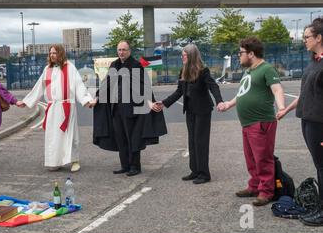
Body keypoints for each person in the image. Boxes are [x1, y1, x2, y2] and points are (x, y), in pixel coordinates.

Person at [219, 37, 285, 206]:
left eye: (240, 53)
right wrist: (229, 104)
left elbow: (277, 89)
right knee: (251, 158)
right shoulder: (249, 71)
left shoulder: (267, 69)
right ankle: (255, 186)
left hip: (261, 122)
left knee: (263, 158)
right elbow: (242, 93)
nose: (238, 56)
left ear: (251, 53)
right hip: (248, 123)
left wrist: (282, 107)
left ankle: (266, 191)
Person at [91, 40, 167, 176]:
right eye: (119, 50)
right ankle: (125, 165)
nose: (121, 52)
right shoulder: (114, 65)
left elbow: (144, 85)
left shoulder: (136, 65)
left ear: (129, 51)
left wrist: (149, 102)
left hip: (132, 109)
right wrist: (97, 97)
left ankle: (135, 166)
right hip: (116, 109)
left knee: (133, 138)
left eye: (124, 50)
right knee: (120, 138)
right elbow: (106, 84)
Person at [153, 44, 224, 184]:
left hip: (203, 110)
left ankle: (204, 174)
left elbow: (213, 86)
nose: (182, 57)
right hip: (190, 110)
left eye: (184, 55)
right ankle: (195, 170)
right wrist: (164, 103)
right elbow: (179, 91)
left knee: (200, 141)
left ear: (191, 56)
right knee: (192, 141)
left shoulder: (203, 71)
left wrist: (219, 101)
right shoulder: (183, 71)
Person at [276, 18, 323, 226]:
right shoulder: (314, 61)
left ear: (319, 38)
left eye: (307, 37)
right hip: (308, 121)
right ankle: (321, 206)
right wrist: (286, 108)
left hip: (320, 124)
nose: (304, 40)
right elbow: (305, 94)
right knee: (319, 165)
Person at [20, 45, 94, 172]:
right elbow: (39, 87)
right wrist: (26, 101)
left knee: (70, 134)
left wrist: (87, 100)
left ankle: (74, 160)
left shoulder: (69, 67)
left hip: (67, 106)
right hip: (53, 107)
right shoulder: (47, 69)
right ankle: (55, 161)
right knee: (53, 136)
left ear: (60, 53)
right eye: (50, 53)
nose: (52, 55)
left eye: (54, 53)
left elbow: (78, 85)